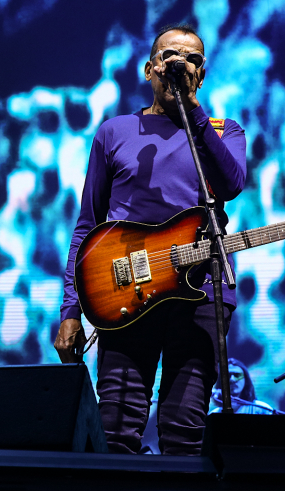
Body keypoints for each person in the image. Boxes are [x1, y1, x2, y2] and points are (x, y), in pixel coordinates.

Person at [53, 24, 246, 455]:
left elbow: (231, 184)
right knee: (117, 430)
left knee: (184, 431)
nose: (180, 64)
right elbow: (88, 226)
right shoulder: (114, 132)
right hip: (126, 291)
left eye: (191, 59)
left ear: (203, 72)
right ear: (149, 69)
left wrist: (192, 109)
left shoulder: (223, 130)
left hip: (200, 295)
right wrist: (71, 309)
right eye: (170, 56)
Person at [209, 358, 279, 415]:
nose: (232, 380)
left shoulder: (262, 410)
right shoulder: (215, 414)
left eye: (237, 375)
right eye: (228, 376)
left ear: (246, 381)